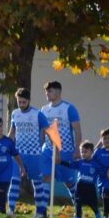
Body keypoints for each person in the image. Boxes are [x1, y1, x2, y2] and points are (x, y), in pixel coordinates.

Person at [8, 87, 50, 218]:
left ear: (29, 101)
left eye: (23, 102)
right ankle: (10, 210)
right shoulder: (15, 114)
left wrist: (48, 145)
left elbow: (49, 130)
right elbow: (12, 132)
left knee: (37, 183)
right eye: (19, 102)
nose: (21, 105)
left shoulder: (38, 114)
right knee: (14, 181)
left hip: (34, 155)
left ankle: (41, 211)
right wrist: (6, 145)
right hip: (18, 154)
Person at [40, 81, 82, 210]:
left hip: (66, 151)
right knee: (45, 176)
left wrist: (77, 150)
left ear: (58, 92)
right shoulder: (44, 110)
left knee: (68, 182)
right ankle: (42, 210)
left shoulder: (69, 108)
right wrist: (39, 147)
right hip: (47, 150)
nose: (47, 93)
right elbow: (43, 130)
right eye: (46, 91)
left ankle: (77, 208)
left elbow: (77, 130)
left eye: (50, 91)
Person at [57, 141, 103, 218]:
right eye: (82, 152)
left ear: (91, 152)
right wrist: (60, 162)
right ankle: (78, 216)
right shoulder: (80, 162)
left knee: (92, 203)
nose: (83, 154)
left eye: (86, 152)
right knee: (78, 201)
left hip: (90, 186)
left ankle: (98, 215)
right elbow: (70, 164)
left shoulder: (96, 164)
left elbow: (102, 172)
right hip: (80, 185)